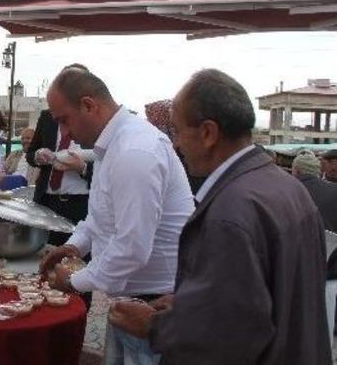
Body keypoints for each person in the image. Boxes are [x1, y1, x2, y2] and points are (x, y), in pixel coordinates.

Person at [109, 69, 331, 365]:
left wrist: (154, 326)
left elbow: (227, 334)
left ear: (208, 133)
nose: (176, 145)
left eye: (177, 131)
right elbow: (266, 292)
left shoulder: (230, 211)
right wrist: (190, 303)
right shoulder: (288, 188)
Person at [39, 68, 193, 365]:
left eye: (63, 119)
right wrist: (74, 246)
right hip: (130, 296)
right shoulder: (112, 146)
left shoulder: (135, 149)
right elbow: (100, 216)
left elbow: (132, 247)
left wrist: (73, 280)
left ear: (89, 105)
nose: (65, 132)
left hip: (155, 302)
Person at [27, 64, 93, 247]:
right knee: (41, 252)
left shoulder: (93, 120)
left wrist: (82, 167)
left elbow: (107, 167)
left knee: (74, 254)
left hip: (78, 204)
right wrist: (38, 155)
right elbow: (30, 153)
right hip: (46, 200)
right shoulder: (47, 116)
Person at [292, 151, 337, 232]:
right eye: (330, 163)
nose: (333, 168)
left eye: (334, 163)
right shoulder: (331, 188)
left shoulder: (287, 190)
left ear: (296, 170)